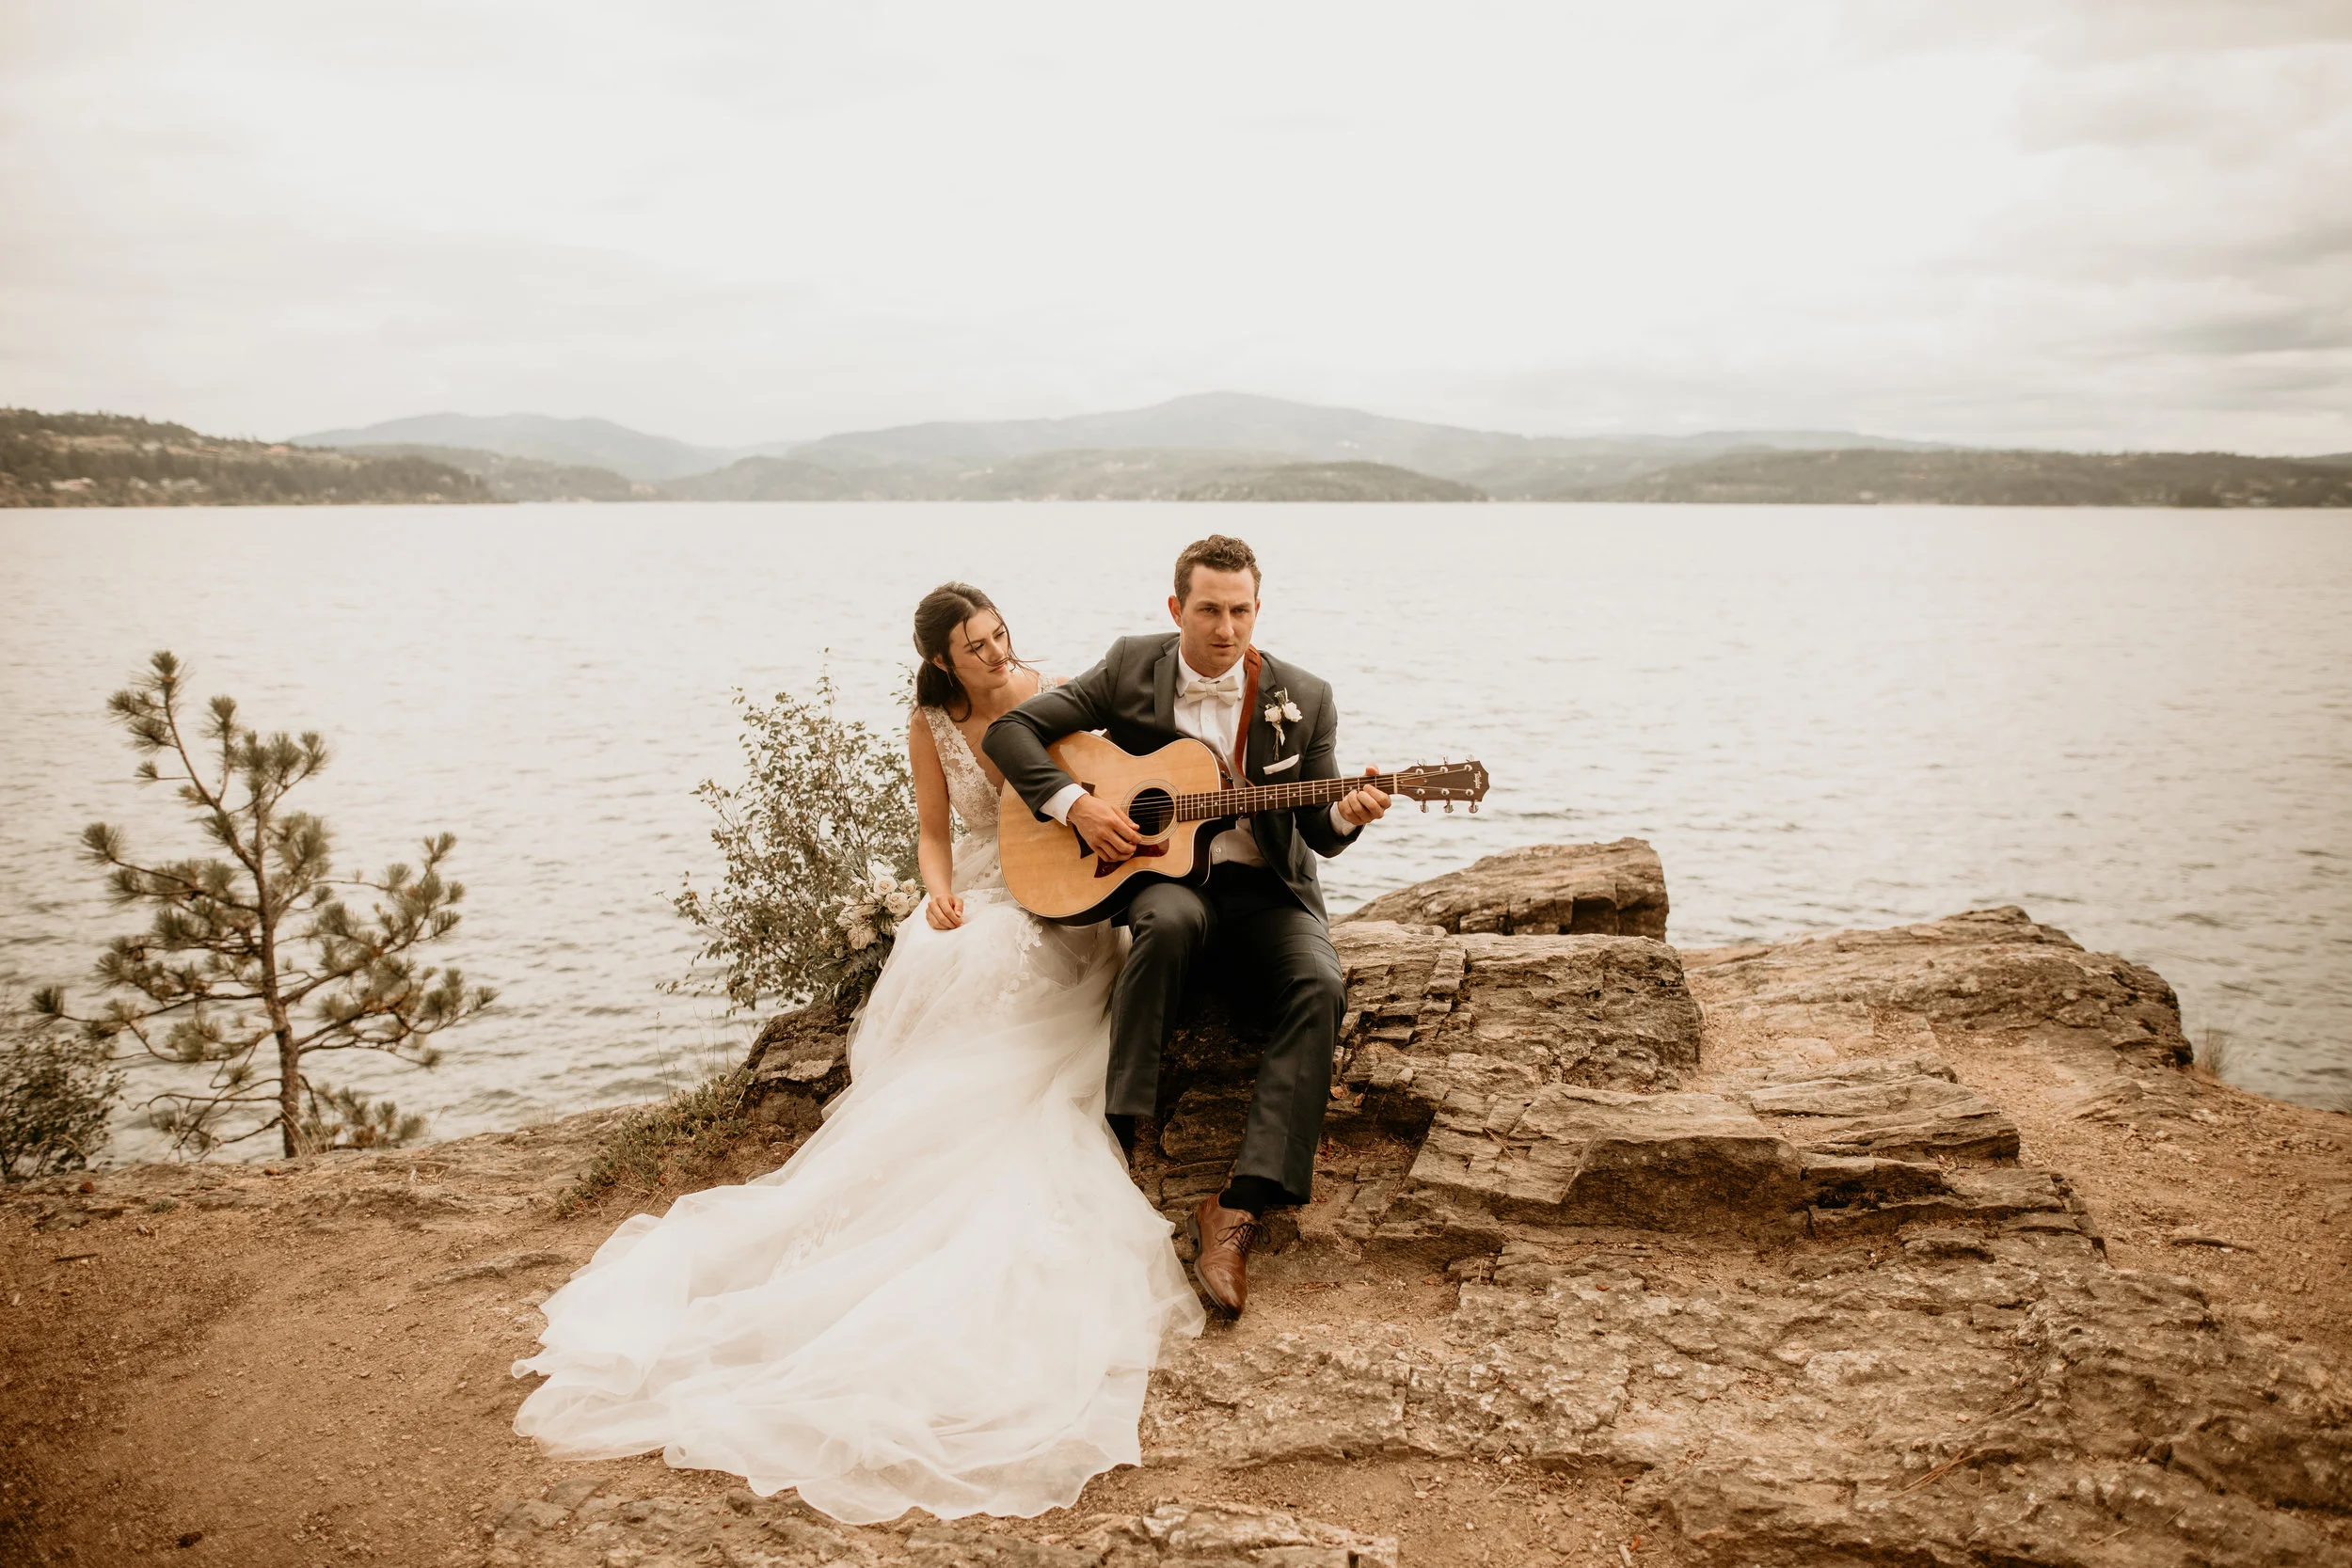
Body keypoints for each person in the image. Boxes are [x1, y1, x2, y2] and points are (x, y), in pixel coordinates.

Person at [510, 583, 1204, 1524]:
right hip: (983, 884)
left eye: (999, 634)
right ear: (941, 661)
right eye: (975, 646)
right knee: (949, 948)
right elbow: (934, 830)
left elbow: (1108, 786)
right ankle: (921, 1132)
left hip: (1065, 893)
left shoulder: (1054, 692)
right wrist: (939, 892)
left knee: (1000, 956)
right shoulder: (930, 722)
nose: (996, 653)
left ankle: (973, 1113)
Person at [985, 534, 1391, 1318]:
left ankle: (1240, 1205)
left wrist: (1348, 811)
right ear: (1177, 608)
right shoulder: (1131, 667)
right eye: (1209, 610)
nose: (1226, 628)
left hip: (1268, 892)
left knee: (1320, 983)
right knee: (1167, 924)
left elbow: (1318, 827)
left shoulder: (1304, 696)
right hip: (1168, 883)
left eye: (1241, 611)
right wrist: (1078, 805)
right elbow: (1011, 734)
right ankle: (1122, 1134)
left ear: (1258, 609)